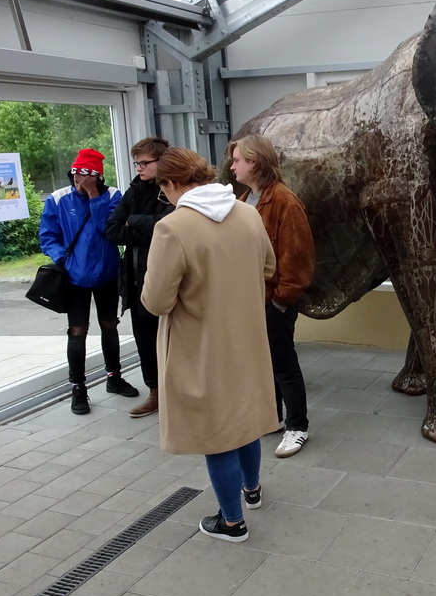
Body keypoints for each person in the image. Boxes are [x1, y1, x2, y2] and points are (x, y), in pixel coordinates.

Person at [141, 147, 277, 543]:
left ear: (170, 184)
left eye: (161, 188)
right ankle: (251, 490)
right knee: (244, 415)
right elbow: (268, 267)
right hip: (247, 337)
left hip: (201, 344)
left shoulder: (173, 228)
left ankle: (232, 522)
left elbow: (157, 301)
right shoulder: (247, 212)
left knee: (215, 431)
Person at [227, 135, 315, 459]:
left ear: (255, 162)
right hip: (253, 299)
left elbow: (298, 258)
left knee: (283, 363)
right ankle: (275, 418)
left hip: (273, 300)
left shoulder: (283, 201)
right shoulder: (248, 196)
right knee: (266, 364)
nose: (232, 165)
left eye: (237, 160)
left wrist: (280, 301)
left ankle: (298, 427)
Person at [39, 148, 139, 415]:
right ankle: (78, 388)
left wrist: (93, 195)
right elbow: (48, 236)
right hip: (74, 277)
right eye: (75, 175)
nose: (78, 181)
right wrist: (63, 260)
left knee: (110, 324)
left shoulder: (113, 196)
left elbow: (108, 228)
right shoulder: (58, 199)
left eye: (84, 176)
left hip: (106, 274)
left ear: (97, 177)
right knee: (77, 330)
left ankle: (113, 378)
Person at [106, 137, 173, 417]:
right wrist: (142, 226)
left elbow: (168, 225)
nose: (139, 168)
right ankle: (155, 393)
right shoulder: (134, 190)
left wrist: (133, 220)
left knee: (171, 341)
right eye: (137, 163)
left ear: (162, 162)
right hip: (135, 279)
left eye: (144, 163)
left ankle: (178, 395)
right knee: (145, 341)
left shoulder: (171, 188)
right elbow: (111, 229)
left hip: (164, 278)